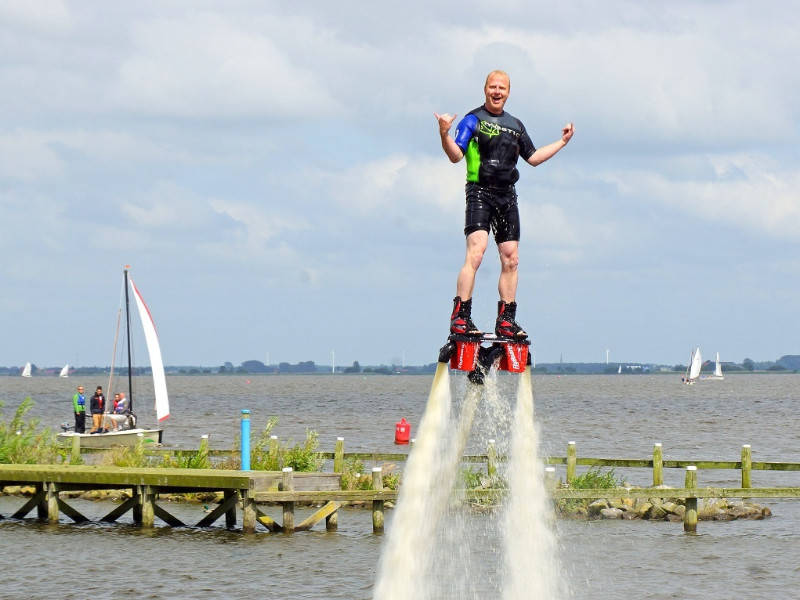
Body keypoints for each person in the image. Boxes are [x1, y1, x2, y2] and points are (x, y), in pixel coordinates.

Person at [434, 70, 574, 338]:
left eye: (502, 88)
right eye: (492, 87)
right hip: (479, 192)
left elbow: (532, 157)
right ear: (485, 89)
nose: (497, 92)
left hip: (507, 196)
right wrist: (444, 134)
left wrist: (563, 142)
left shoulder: (515, 125)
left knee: (511, 259)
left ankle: (506, 320)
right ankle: (461, 317)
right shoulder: (472, 120)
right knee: (476, 253)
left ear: (508, 92)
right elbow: (455, 155)